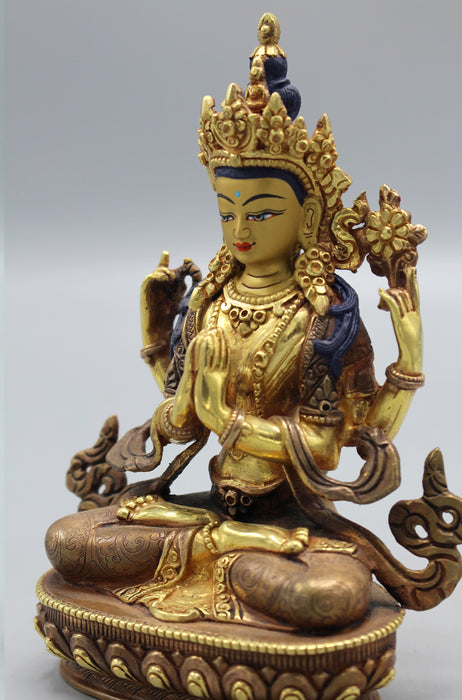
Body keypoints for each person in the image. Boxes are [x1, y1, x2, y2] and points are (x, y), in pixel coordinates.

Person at [45, 14, 430, 631]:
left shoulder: (323, 319)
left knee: (327, 596)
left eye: (263, 212)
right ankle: (219, 549)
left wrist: (407, 365)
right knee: (68, 541)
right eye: (228, 213)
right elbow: (180, 423)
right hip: (208, 514)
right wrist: (158, 336)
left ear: (308, 219)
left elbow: (331, 445)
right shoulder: (210, 303)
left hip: (289, 523)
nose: (241, 231)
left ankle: (228, 557)